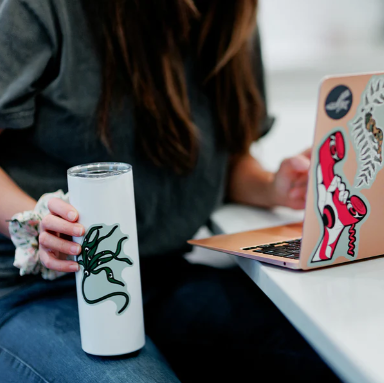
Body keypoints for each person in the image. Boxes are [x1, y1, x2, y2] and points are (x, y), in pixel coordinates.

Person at [0, 0, 341, 382]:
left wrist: (272, 187)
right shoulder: (43, 9)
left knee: (329, 354)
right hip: (31, 291)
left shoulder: (231, 14)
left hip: (161, 276)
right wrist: (35, 220)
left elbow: (224, 159)